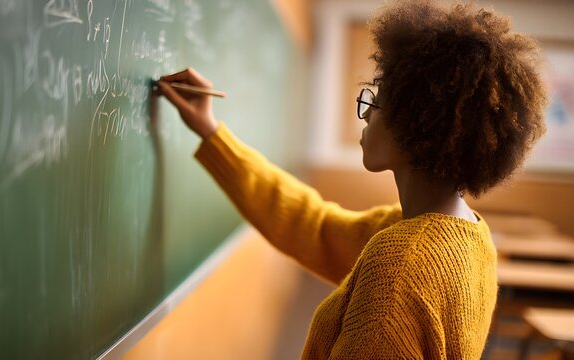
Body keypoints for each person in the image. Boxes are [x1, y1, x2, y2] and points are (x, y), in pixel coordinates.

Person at [157, 0, 547, 358]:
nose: (365, 113)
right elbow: (314, 227)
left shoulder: (401, 266)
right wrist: (212, 132)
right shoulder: (465, 236)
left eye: (376, 99)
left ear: (416, 122)